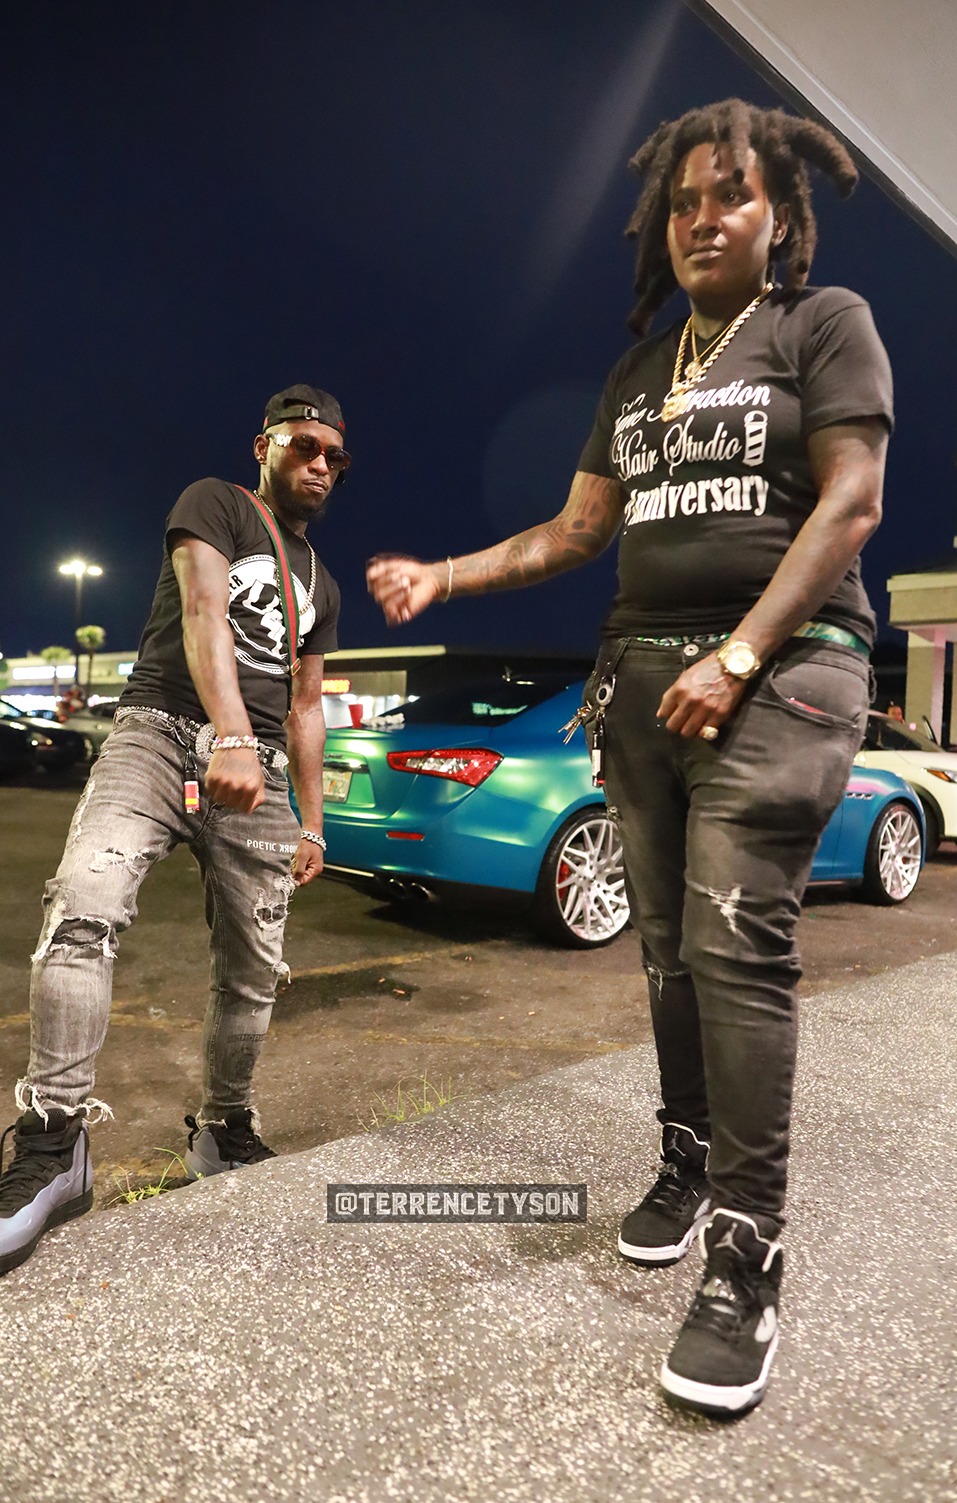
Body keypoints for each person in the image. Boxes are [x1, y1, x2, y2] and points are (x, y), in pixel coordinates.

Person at [367, 102, 891, 1416]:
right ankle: (688, 1156)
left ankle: (748, 1257)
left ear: (778, 215)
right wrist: (444, 575)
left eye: (730, 195)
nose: (702, 218)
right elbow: (573, 530)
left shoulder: (822, 326)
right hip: (642, 674)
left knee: (735, 935)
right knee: (664, 946)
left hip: (788, 662)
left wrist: (742, 654)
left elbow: (851, 500)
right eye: (683, 203)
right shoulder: (641, 372)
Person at [0, 383, 346, 1281]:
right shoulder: (216, 503)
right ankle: (55, 1146)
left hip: (261, 771)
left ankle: (224, 1127)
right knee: (83, 904)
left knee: (254, 966)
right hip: (160, 731)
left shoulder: (322, 582)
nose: (321, 463)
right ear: (263, 445)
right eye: (303, 445)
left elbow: (309, 705)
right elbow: (205, 609)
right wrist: (231, 734)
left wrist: (314, 823)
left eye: (335, 454)